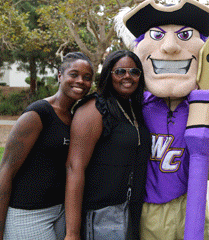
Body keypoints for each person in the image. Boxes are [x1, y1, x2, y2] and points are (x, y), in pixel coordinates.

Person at [119, 0, 209, 240]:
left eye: (185, 35)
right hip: (148, 208)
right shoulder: (135, 108)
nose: (170, 46)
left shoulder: (206, 107)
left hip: (191, 203)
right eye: (156, 35)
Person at [0, 52, 94, 240]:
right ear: (60, 75)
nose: (80, 81)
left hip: (60, 212)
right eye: (74, 74)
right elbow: (5, 171)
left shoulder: (76, 117)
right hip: (28, 214)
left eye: (87, 78)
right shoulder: (38, 114)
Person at [64, 50, 151, 240]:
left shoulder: (134, 108)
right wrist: (72, 233)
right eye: (120, 71)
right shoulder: (94, 108)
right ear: (109, 74)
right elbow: (74, 167)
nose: (128, 76)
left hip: (132, 210)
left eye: (134, 72)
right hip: (101, 215)